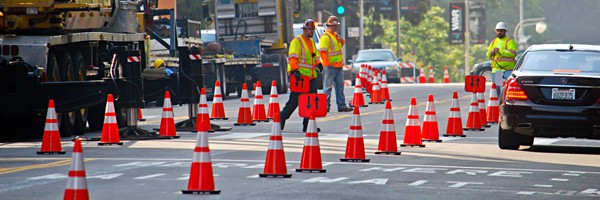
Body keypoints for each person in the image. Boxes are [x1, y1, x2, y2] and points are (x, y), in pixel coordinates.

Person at [280, 19, 321, 132]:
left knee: (311, 101)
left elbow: (315, 57)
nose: (311, 32)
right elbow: (293, 57)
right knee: (294, 101)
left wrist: (319, 64)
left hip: (311, 77)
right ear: (304, 29)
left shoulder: (312, 42)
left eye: (313, 29)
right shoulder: (297, 41)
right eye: (309, 29)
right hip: (300, 77)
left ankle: (307, 125)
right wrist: (295, 70)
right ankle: (281, 118)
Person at [319, 16, 352, 113]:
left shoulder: (335, 35)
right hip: (330, 66)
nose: (336, 27)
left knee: (340, 86)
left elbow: (338, 46)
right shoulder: (325, 37)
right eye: (334, 26)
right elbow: (323, 51)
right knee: (327, 87)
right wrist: (327, 63)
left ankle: (341, 105)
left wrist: (341, 40)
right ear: (329, 25)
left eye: (336, 25)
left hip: (338, 65)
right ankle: (325, 106)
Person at [486, 22, 517, 96]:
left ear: (505, 31)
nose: (499, 32)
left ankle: (506, 105)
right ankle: (499, 106)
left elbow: (512, 53)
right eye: (498, 30)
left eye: (501, 31)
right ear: (496, 31)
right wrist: (492, 52)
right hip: (497, 71)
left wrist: (500, 51)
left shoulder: (510, 41)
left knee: (507, 90)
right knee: (498, 91)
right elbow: (488, 54)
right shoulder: (494, 42)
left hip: (507, 71)